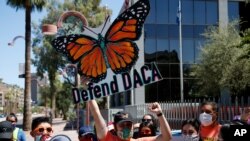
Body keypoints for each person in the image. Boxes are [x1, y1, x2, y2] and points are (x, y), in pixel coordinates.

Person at [88, 100, 172, 141]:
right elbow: (96, 113)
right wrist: (89, 90)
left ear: (133, 126)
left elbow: (167, 137)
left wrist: (160, 114)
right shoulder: (108, 138)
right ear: (115, 127)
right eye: (122, 125)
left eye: (128, 124)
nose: (126, 128)